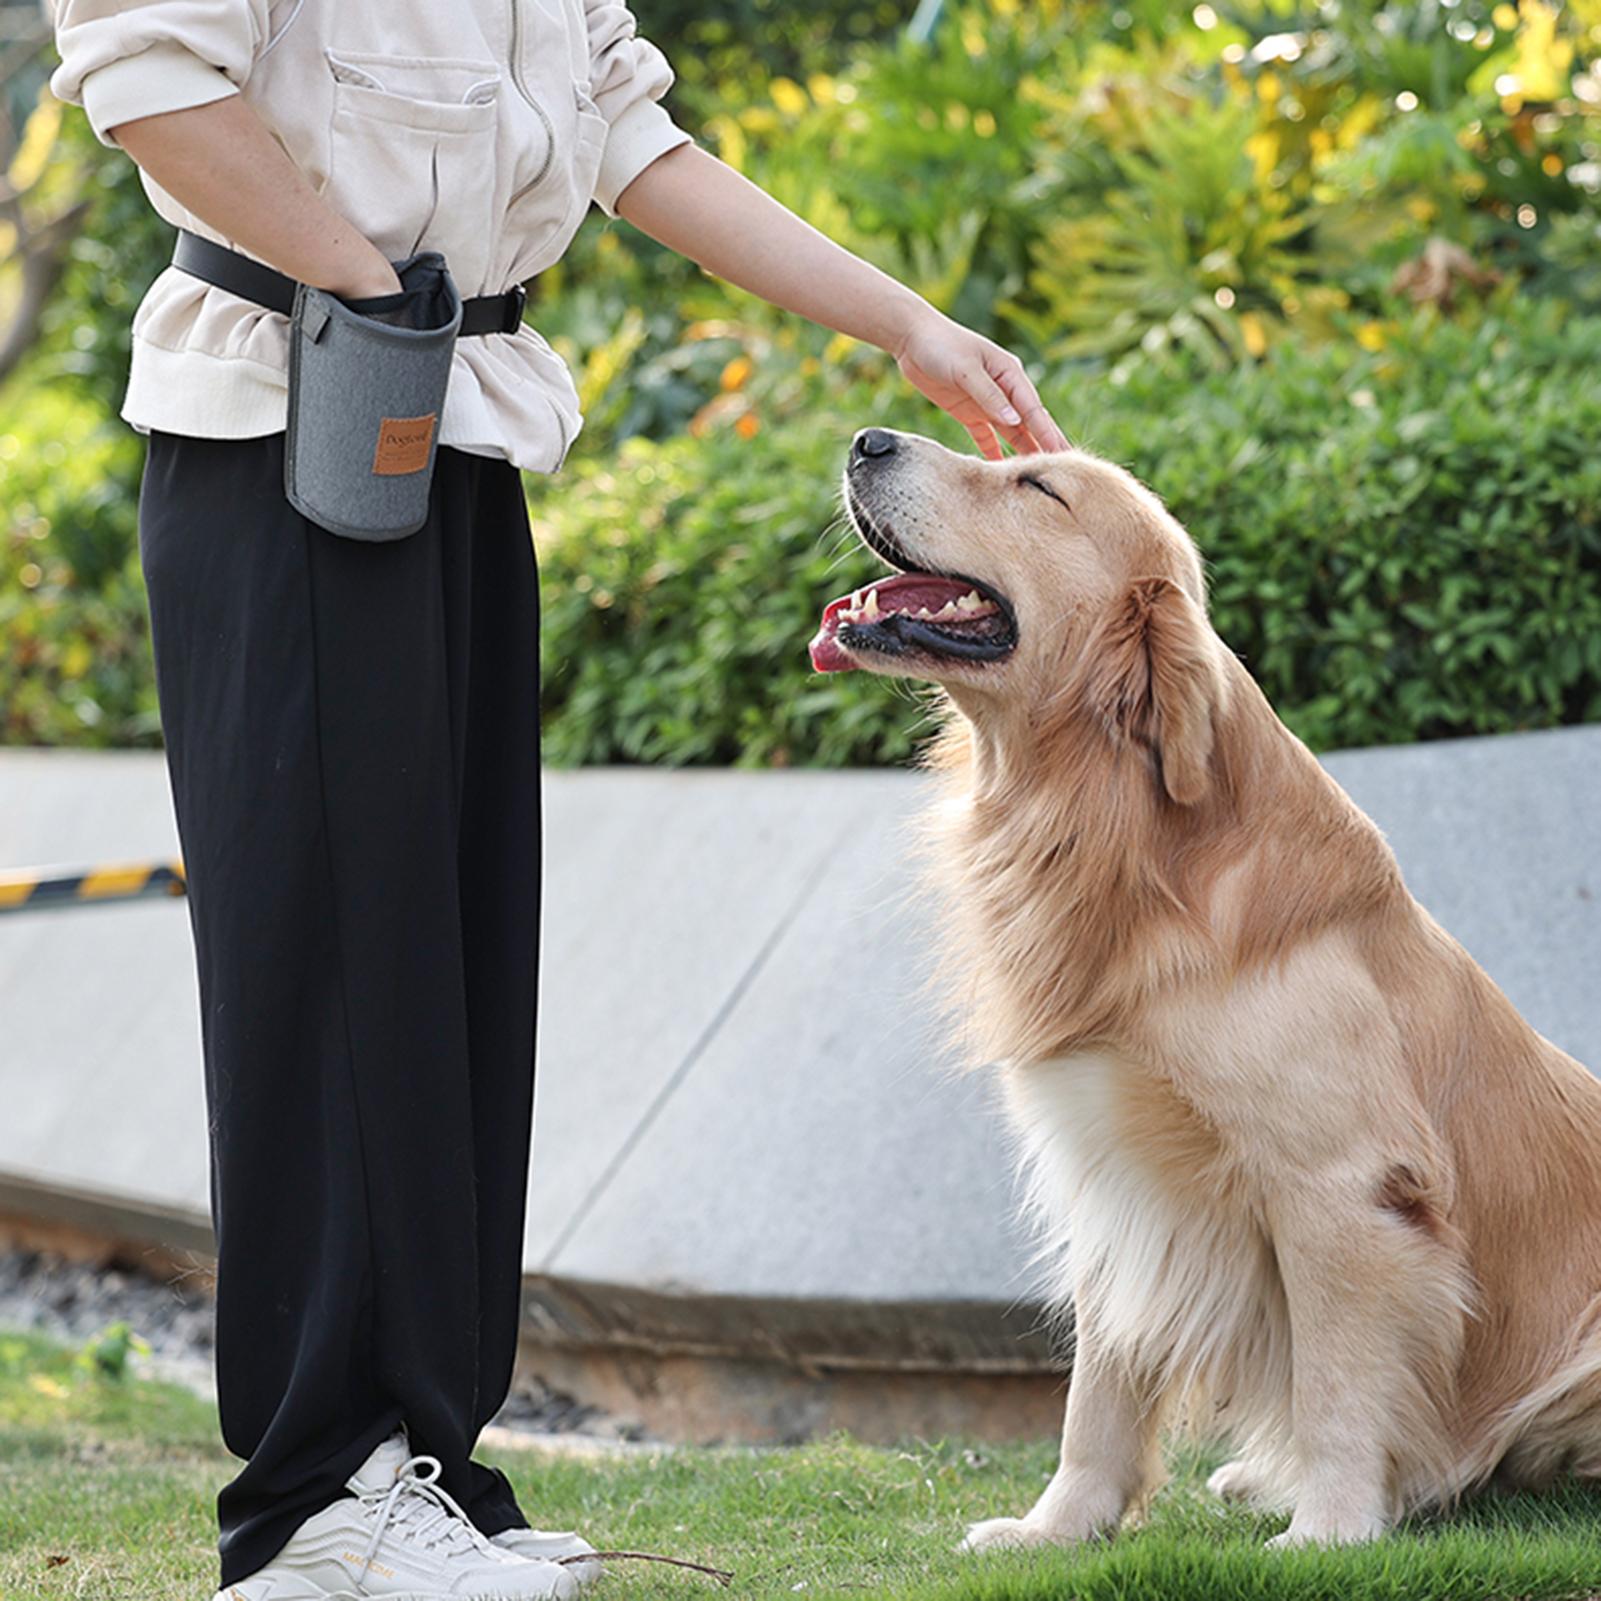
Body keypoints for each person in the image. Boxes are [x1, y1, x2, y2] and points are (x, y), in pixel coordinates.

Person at [46, 4, 1072, 1599]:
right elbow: (151, 88)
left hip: (445, 427)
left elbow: (626, 140)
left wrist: (907, 327)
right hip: (292, 420)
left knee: (447, 958)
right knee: (329, 970)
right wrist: (376, 289)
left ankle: (423, 1465)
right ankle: (314, 1495)